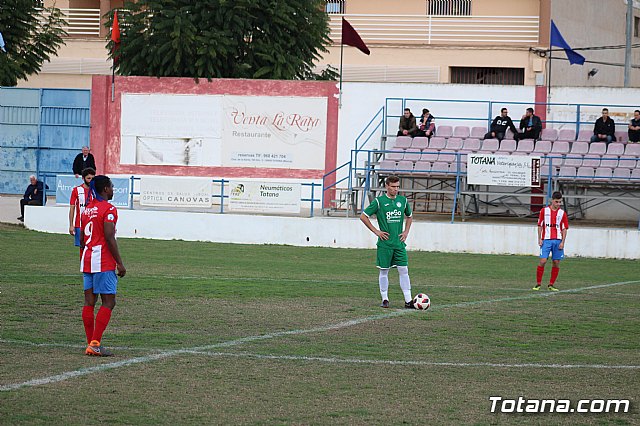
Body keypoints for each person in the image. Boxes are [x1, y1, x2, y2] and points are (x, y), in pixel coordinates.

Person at [80, 175, 126, 357]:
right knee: (109, 302)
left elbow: (82, 239)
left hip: (87, 259)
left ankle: (91, 342)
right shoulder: (109, 209)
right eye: (112, 187)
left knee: (89, 302)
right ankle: (95, 344)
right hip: (103, 261)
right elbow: (109, 237)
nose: (113, 190)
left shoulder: (87, 210)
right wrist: (120, 263)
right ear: (105, 189)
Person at [360, 175, 415, 308]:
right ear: (387, 186)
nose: (396, 189)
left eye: (397, 187)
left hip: (399, 243)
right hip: (385, 244)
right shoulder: (379, 201)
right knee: (384, 271)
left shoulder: (403, 200)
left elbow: (410, 216)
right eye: (393, 187)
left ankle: (408, 300)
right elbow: (363, 216)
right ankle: (385, 299)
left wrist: (406, 232)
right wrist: (377, 231)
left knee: (404, 270)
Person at [533, 191, 568, 292]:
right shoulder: (544, 211)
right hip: (546, 240)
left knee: (556, 262)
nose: (558, 204)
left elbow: (564, 228)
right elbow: (540, 225)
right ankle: (538, 283)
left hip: (557, 240)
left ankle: (551, 284)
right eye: (556, 202)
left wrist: (563, 242)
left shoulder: (562, 213)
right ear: (552, 200)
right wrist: (539, 238)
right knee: (543, 261)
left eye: (560, 202)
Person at [69, 167, 95, 247]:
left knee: (93, 248)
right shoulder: (76, 190)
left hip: (93, 225)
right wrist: (71, 225)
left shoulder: (96, 191)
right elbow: (72, 208)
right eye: (88, 178)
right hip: (79, 225)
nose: (91, 180)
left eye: (92, 178)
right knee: (82, 248)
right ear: (83, 178)